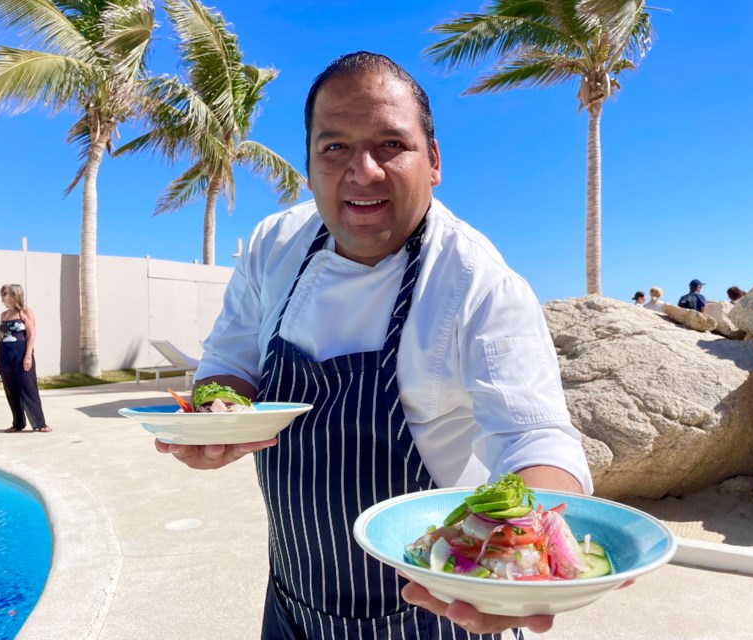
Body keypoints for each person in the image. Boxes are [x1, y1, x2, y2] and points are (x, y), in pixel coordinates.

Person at [155, 51, 593, 639]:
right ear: (309, 167)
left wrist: (525, 556)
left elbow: (532, 435)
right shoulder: (273, 244)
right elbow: (231, 362)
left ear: (433, 161)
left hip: (439, 613)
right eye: (334, 148)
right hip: (293, 599)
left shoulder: (476, 281)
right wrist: (215, 418)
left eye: (390, 144)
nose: (362, 172)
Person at [0, 283, 52, 432]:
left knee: (28, 387)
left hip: (21, 354)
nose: (3, 296)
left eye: (6, 293)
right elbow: (0, 338)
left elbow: (32, 335)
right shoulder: (3, 315)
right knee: (10, 389)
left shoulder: (25, 312)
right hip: (4, 354)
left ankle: (40, 423)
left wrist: (28, 356)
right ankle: (18, 423)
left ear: (15, 295)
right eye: (2, 293)